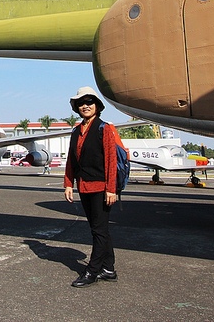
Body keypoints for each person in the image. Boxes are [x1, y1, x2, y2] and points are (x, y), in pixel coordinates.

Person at [63, 86, 122, 288]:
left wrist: (111, 189)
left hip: (101, 187)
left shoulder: (103, 128)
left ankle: (92, 270)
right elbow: (71, 160)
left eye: (89, 102)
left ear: (97, 105)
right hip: (84, 186)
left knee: (99, 230)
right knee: (99, 229)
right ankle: (109, 268)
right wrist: (68, 184)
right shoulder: (76, 131)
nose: (85, 106)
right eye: (81, 103)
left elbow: (111, 160)